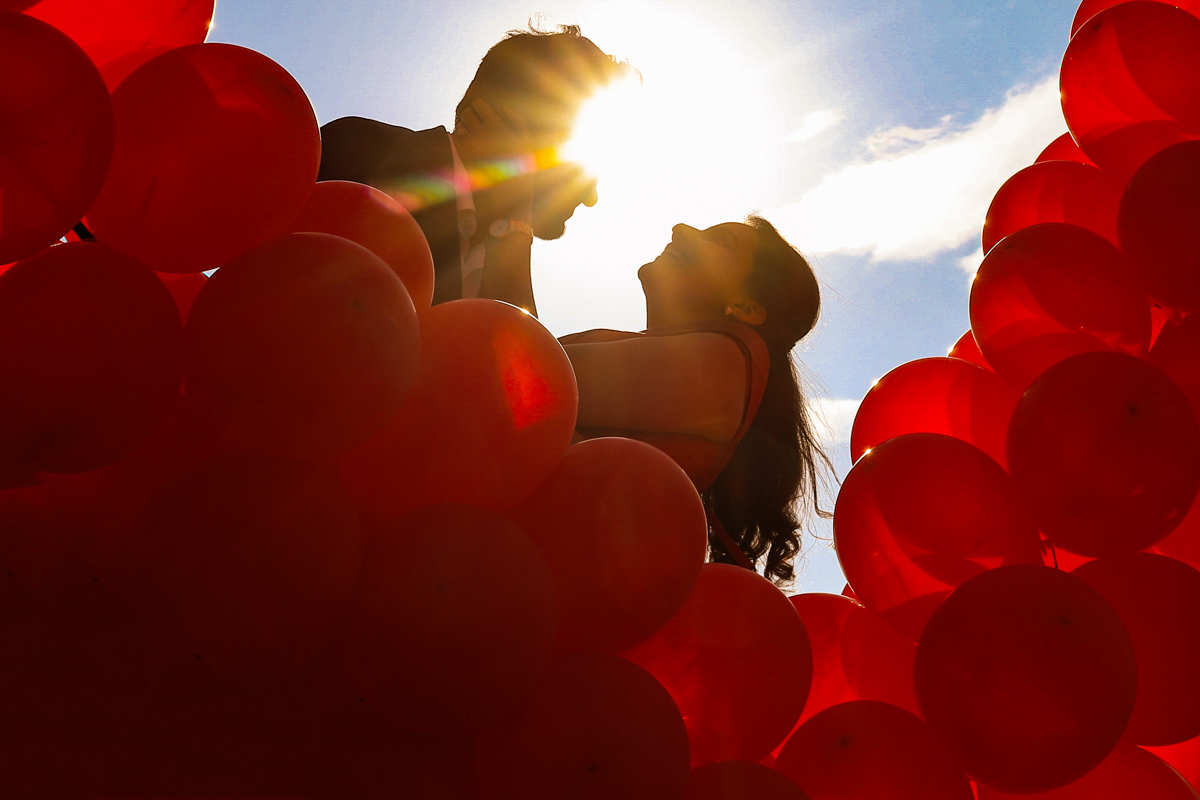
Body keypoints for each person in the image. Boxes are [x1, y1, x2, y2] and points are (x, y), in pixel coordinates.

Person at [556, 218, 832, 586]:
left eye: (721, 241)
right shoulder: (701, 364)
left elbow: (512, 373)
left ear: (744, 306)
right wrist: (514, 228)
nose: (680, 228)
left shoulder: (724, 366)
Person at [317, 24, 630, 306]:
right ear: (518, 124)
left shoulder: (499, 242)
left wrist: (514, 218)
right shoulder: (360, 155)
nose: (592, 198)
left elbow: (520, 361)